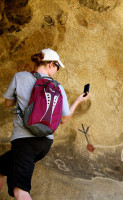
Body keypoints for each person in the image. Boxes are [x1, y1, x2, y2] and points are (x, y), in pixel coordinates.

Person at [0, 48, 90, 200]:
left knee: (19, 191)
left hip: (24, 141)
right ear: (51, 65)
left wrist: (24, 99)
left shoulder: (19, 77)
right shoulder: (57, 87)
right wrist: (78, 101)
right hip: (44, 144)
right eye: (57, 67)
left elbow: (8, 103)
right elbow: (64, 119)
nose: (56, 70)